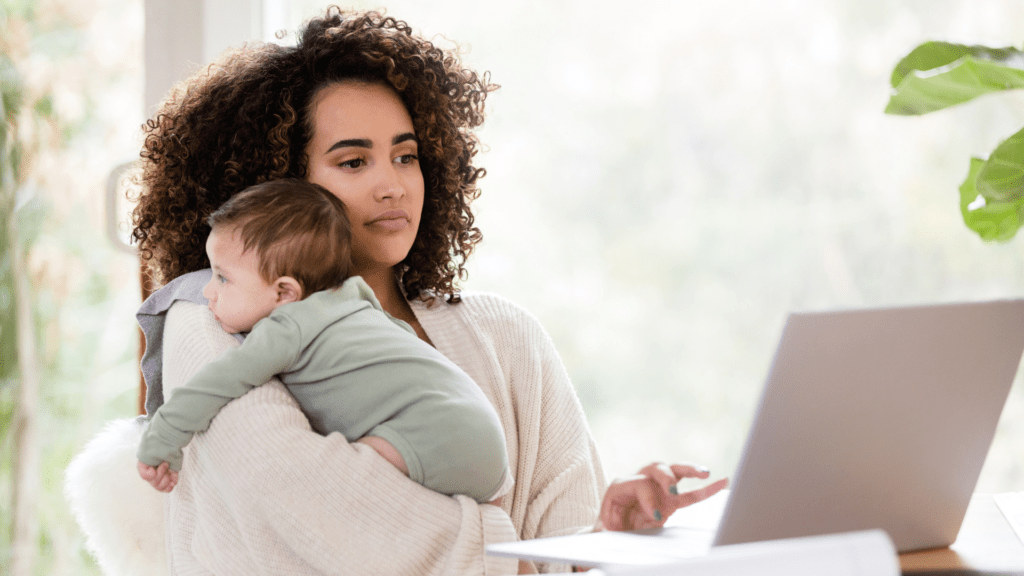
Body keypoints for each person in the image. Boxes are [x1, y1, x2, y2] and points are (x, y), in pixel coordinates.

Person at [73, 7, 727, 574]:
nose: (394, 184)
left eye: (407, 154)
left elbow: (563, 558)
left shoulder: (506, 336)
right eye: (354, 161)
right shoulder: (211, 320)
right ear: (280, 186)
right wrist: (514, 550)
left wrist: (607, 537)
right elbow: (322, 509)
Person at [135, 178, 511, 505]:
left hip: (430, 434)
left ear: (284, 293)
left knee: (334, 486)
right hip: (484, 435)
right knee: (491, 545)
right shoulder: (357, 300)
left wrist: (162, 439)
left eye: (222, 278)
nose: (207, 291)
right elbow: (407, 341)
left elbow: (214, 384)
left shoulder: (287, 327)